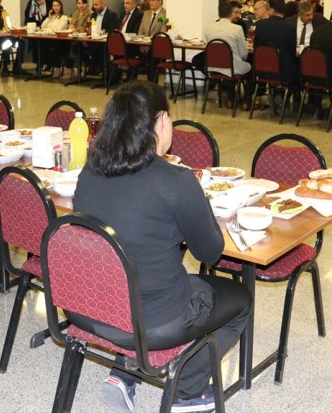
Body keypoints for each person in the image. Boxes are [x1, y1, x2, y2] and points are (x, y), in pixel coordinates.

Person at [72, 81, 251, 413]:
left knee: (138, 278)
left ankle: (123, 374)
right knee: (240, 299)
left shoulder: (90, 170)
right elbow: (210, 254)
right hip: (150, 325)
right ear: (163, 122)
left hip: (90, 308)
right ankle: (187, 391)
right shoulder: (176, 180)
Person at [205, 2, 253, 110]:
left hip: (212, 67)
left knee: (228, 66)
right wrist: (242, 59)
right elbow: (244, 54)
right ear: (231, 13)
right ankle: (247, 101)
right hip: (231, 67)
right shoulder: (236, 29)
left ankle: (230, 99)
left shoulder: (209, 27)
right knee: (249, 68)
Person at [253, 0, 297, 115]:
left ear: (271, 10)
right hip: (282, 71)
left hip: (262, 70)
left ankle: (276, 95)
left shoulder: (260, 25)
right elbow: (292, 51)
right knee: (299, 75)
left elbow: (256, 47)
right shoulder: (290, 28)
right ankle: (285, 99)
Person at [41, 0, 70, 79]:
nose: (56, 8)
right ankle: (48, 65)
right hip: (50, 39)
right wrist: (49, 18)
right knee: (41, 45)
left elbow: (58, 29)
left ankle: (57, 68)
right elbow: (42, 27)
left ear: (61, 7)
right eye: (54, 6)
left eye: (57, 6)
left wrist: (49, 29)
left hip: (60, 40)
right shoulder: (51, 17)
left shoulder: (64, 17)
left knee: (57, 48)